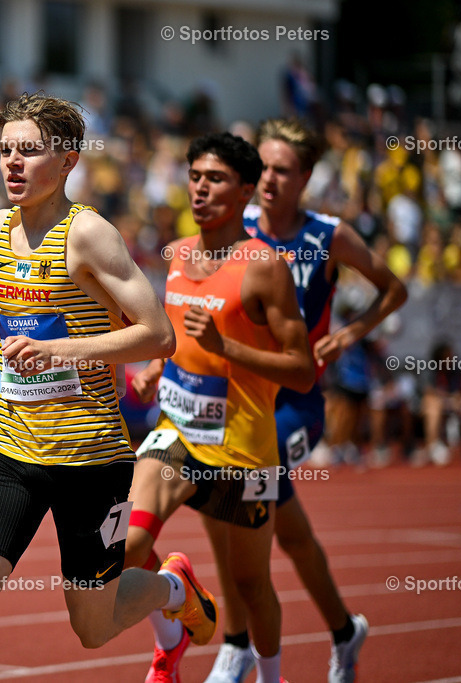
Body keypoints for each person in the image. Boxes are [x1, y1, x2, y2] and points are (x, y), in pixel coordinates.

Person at [0, 92, 214, 683]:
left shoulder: (88, 235)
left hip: (91, 458)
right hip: (13, 451)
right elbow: (27, 324)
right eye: (5, 150)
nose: (12, 162)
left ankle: (170, 586)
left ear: (67, 161)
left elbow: (158, 335)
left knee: (93, 626)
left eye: (29, 152)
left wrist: (61, 350)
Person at [201, 118, 406, 683]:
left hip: (295, 403)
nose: (269, 179)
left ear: (306, 177)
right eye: (262, 167)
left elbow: (395, 288)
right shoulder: (232, 227)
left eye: (283, 170)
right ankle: (344, 630)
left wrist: (352, 331)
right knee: (288, 533)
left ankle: (239, 644)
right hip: (237, 399)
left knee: (236, 494)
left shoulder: (327, 236)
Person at [127, 132, 317, 683]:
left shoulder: (265, 267)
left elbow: (302, 370)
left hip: (243, 451)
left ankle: (272, 677)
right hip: (177, 434)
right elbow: (184, 342)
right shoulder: (181, 254)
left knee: (252, 584)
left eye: (216, 179)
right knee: (124, 545)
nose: (200, 189)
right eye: (195, 177)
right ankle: (177, 610)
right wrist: (156, 369)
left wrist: (226, 347)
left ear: (246, 192)